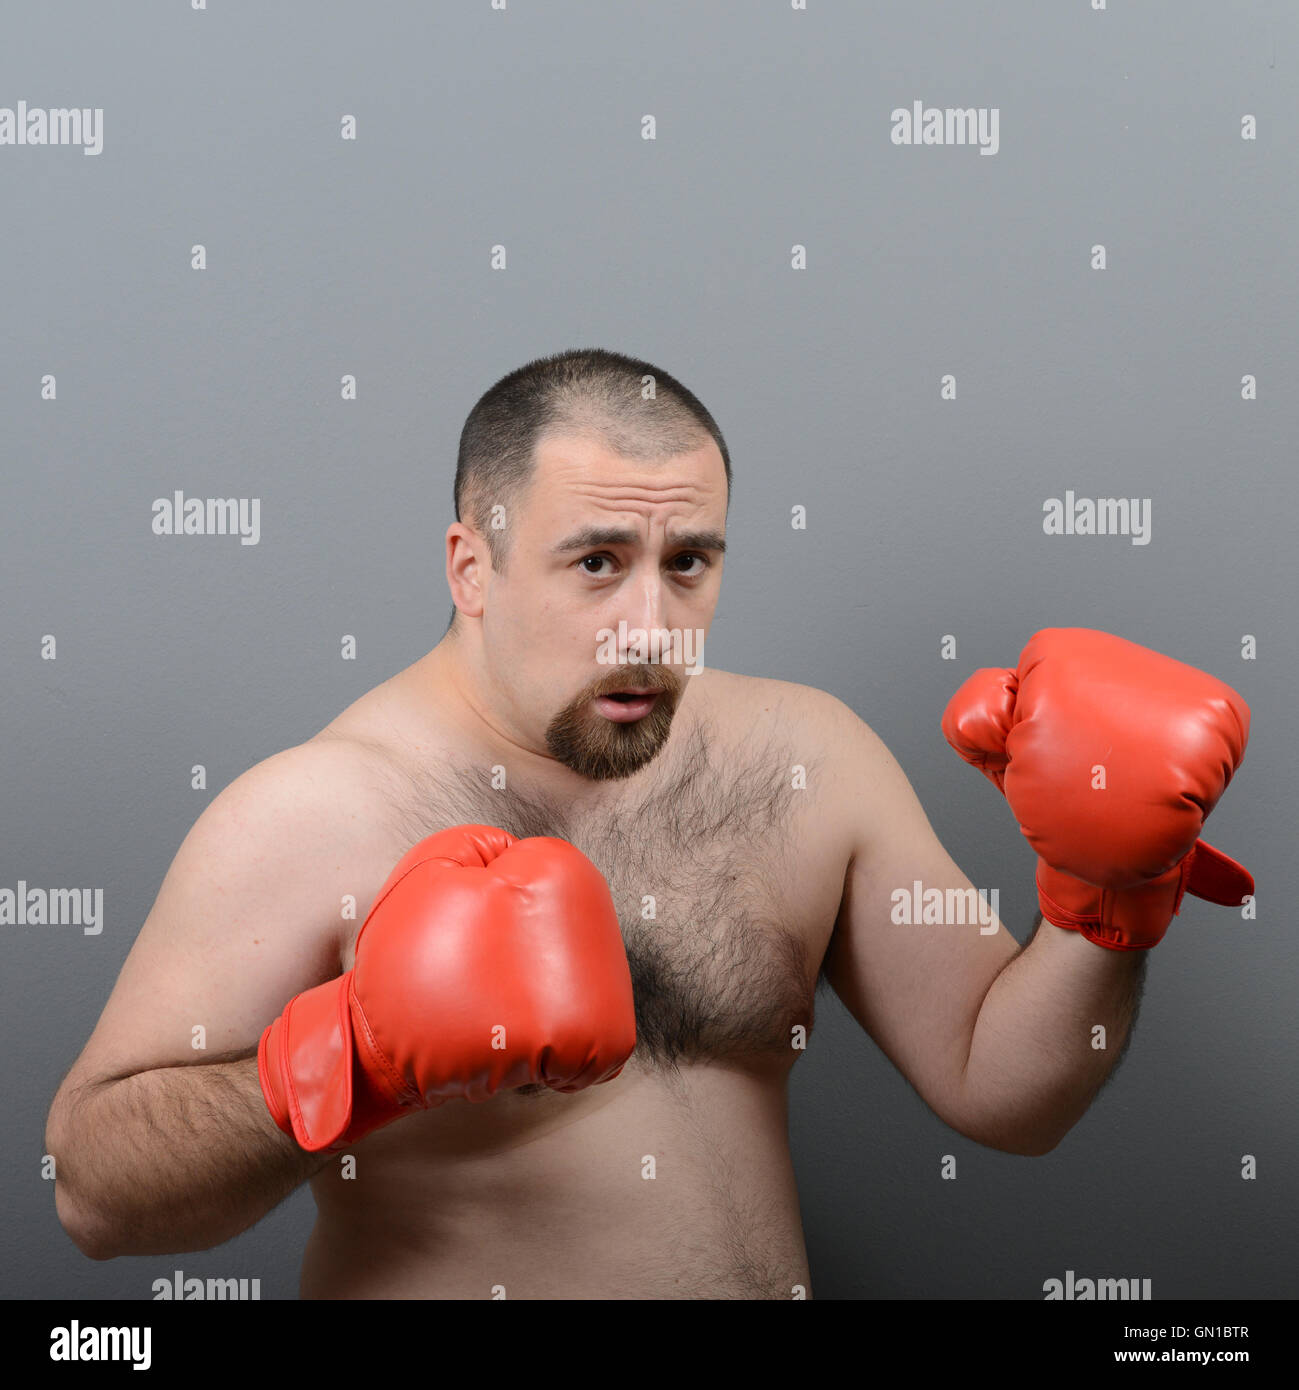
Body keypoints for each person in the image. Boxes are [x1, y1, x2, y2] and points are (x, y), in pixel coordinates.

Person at [44, 348, 1252, 1299]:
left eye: (690, 563)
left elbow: (1006, 1090)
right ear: (472, 567)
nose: (650, 623)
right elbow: (95, 1193)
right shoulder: (315, 813)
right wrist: (350, 1058)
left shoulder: (802, 759)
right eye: (597, 561)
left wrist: (1105, 904)